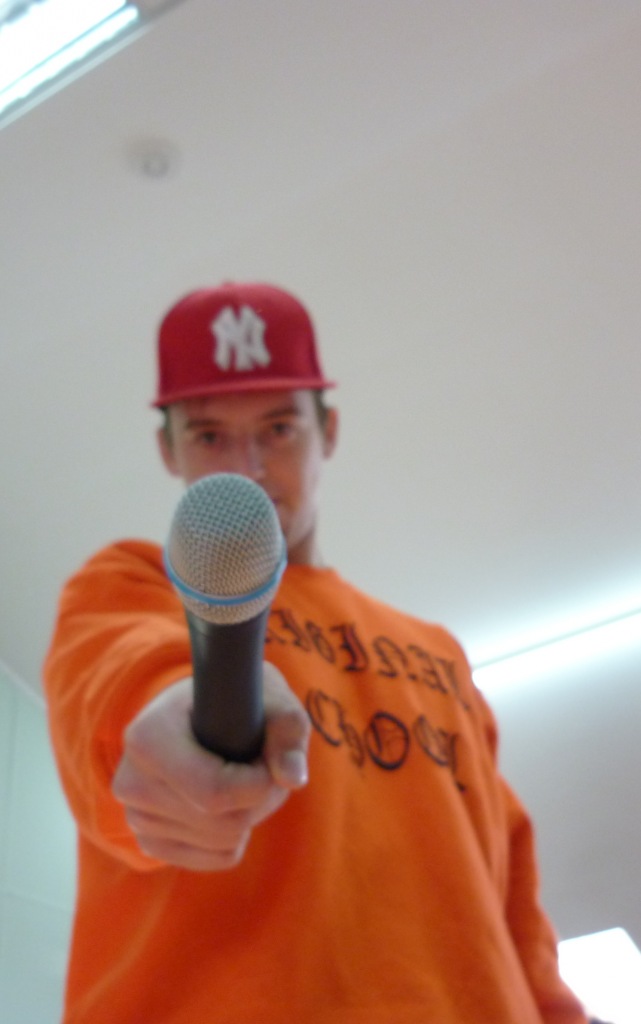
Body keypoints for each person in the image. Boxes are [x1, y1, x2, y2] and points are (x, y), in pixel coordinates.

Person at [44, 282, 589, 1024]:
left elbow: (513, 895)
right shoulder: (128, 584)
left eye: (278, 429)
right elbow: (121, 690)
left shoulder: (440, 653)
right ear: (167, 449)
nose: (248, 466)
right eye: (209, 435)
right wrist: (178, 722)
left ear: (327, 431)